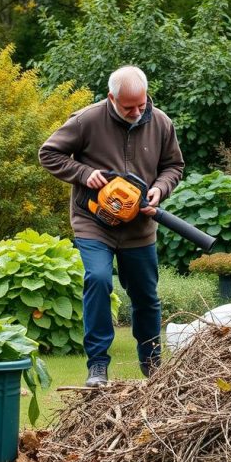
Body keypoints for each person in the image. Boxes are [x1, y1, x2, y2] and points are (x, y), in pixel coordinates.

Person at [39, 66, 184, 387]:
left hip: (140, 226)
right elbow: (48, 153)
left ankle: (151, 362)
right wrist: (81, 172)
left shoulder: (160, 122)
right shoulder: (87, 120)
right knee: (98, 279)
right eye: (127, 107)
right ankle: (98, 366)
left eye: (141, 105)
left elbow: (174, 166)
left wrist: (160, 188)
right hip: (94, 221)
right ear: (111, 98)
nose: (136, 112)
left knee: (146, 296)